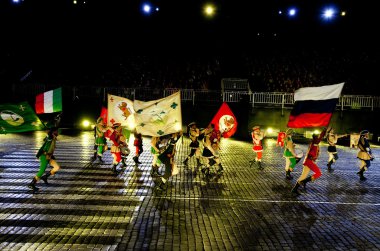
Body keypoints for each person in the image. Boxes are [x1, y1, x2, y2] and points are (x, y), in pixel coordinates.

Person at [291, 127, 327, 196]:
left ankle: (295, 189)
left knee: (303, 176)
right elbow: (321, 137)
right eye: (317, 137)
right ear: (316, 138)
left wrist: (324, 131)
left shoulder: (314, 143)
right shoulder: (315, 142)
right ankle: (304, 182)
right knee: (318, 173)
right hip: (309, 161)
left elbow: (320, 137)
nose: (319, 138)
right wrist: (324, 131)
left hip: (308, 161)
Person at [28, 127, 60, 192]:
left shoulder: (52, 138)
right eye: (57, 131)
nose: (58, 132)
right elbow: (48, 137)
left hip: (49, 156)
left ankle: (45, 177)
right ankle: (32, 184)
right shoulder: (50, 138)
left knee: (57, 167)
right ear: (53, 132)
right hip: (44, 156)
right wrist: (50, 133)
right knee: (42, 171)